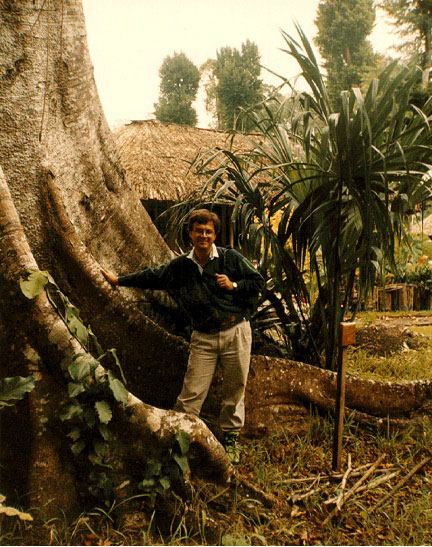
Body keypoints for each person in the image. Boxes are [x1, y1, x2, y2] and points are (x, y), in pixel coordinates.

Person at [101, 208, 264, 463]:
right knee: (191, 393)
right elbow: (152, 277)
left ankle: (230, 440)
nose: (203, 235)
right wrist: (119, 280)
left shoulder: (230, 259)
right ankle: (181, 443)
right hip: (204, 337)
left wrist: (234, 286)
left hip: (236, 331)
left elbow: (257, 281)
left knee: (235, 388)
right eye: (198, 231)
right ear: (190, 233)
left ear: (214, 235)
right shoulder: (180, 267)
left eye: (208, 231)